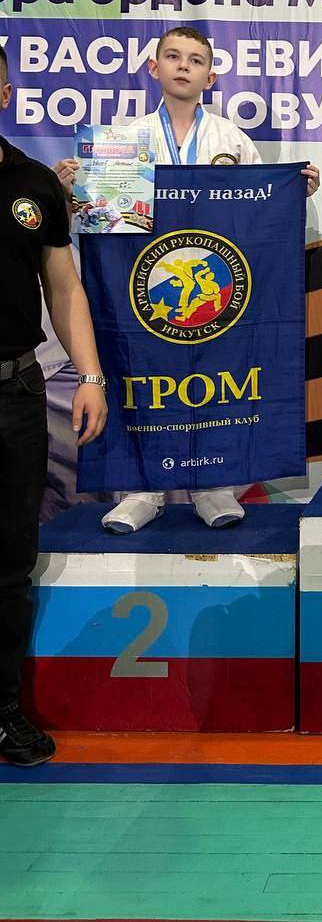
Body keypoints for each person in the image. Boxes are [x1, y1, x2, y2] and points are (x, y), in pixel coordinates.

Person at [56, 25, 319, 534]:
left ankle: (212, 486)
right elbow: (98, 223)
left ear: (210, 77)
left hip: (214, 281)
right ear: (154, 69)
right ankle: (141, 491)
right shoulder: (121, 143)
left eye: (195, 60)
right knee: (139, 375)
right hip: (141, 285)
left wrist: (293, 192)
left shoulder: (231, 140)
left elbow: (257, 215)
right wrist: (72, 190)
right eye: (173, 57)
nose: (183, 66)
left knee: (219, 374)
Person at [0, 45, 108, 766]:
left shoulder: (34, 183)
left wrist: (90, 375)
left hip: (15, 394)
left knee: (11, 564)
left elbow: (63, 288)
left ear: (6, 91)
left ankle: (3, 713)